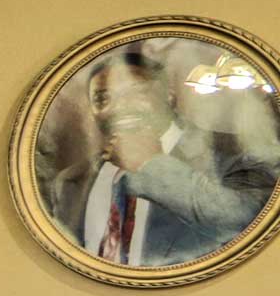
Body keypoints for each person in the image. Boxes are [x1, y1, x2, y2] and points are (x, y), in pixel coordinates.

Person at [74, 39, 278, 268]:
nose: (120, 106)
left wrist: (151, 164)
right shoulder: (71, 182)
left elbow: (250, 224)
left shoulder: (235, 152)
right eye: (103, 98)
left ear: (169, 95)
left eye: (136, 91)